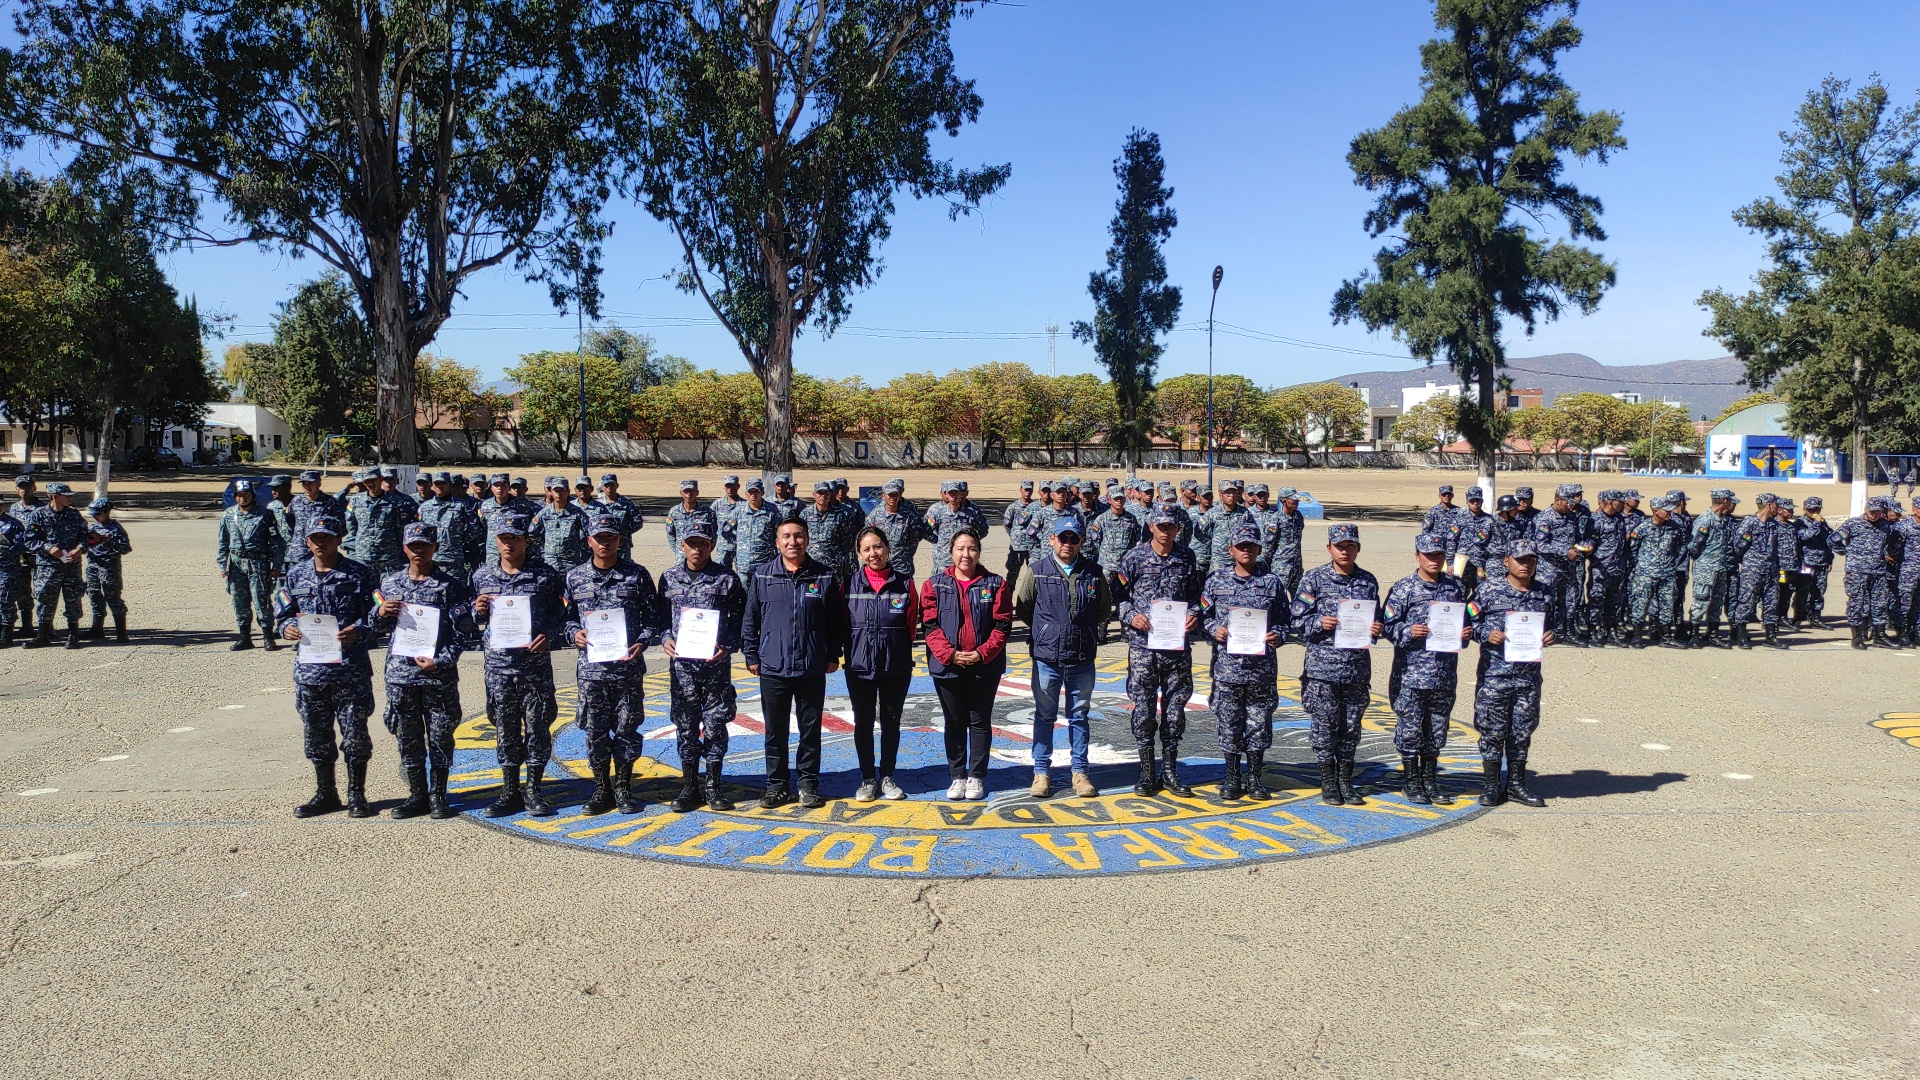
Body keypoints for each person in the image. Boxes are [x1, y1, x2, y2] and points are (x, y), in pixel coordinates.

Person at [273, 515, 380, 818]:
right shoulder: (295, 575)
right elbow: (283, 611)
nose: (321, 543)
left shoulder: (360, 574)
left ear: (338, 539)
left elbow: (378, 614)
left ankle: (357, 794)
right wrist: (288, 627)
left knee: (355, 735)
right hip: (311, 672)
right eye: (315, 538)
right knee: (317, 735)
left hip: (350, 670)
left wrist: (359, 630)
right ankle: (326, 793)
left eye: (327, 537)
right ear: (307, 541)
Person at [563, 513, 666, 814]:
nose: (605, 542)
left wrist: (643, 641)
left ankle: (623, 787)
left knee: (627, 729)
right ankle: (600, 789)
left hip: (627, 670)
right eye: (599, 537)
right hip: (592, 672)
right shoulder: (574, 577)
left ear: (620, 540)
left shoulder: (637, 575)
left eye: (611, 537)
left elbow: (655, 619)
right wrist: (574, 633)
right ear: (589, 541)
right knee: (595, 731)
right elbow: (565, 619)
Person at [373, 522, 477, 819]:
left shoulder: (450, 586)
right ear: (404, 548)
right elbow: (374, 626)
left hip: (436, 676)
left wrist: (441, 661)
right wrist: (379, 613)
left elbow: (464, 633)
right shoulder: (390, 583)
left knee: (441, 734)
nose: (419, 550)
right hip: (401, 674)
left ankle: (438, 795)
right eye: (413, 545)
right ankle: (416, 794)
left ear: (436, 548)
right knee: (407, 734)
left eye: (424, 545)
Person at [742, 516, 847, 809]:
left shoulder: (823, 576)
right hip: (773, 666)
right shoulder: (763, 576)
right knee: (775, 731)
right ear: (777, 542)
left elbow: (835, 621)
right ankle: (776, 785)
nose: (793, 542)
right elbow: (751, 620)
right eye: (786, 536)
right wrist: (751, 654)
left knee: (810, 731)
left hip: (811, 666)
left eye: (798, 536)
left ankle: (808, 784)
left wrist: (831, 654)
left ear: (807, 540)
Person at [470, 510, 568, 819]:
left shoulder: (546, 576)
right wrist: (477, 611)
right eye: (503, 539)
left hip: (533, 667)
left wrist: (548, 634)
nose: (509, 544)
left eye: (515, 538)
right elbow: (466, 621)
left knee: (538, 727)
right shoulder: (481, 577)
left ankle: (534, 790)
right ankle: (509, 790)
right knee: (505, 728)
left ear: (526, 540)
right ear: (496, 541)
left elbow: (562, 614)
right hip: (498, 667)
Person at [1013, 514, 1109, 799]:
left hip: (1081, 658)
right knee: (1044, 716)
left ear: (1081, 541)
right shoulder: (1038, 570)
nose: (1068, 543)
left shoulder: (1094, 572)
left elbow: (1103, 610)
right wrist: (1047, 631)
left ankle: (1080, 772)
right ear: (1052, 539)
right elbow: (1024, 607)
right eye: (1063, 538)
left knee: (1079, 716)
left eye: (1074, 539)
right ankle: (1041, 772)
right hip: (1047, 658)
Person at [658, 516, 748, 813]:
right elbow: (660, 619)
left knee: (715, 726)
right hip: (682, 669)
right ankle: (689, 786)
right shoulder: (669, 578)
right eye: (692, 543)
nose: (697, 549)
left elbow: (741, 621)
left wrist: (729, 645)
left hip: (715, 669)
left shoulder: (727, 579)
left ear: (712, 545)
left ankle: (713, 785)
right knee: (685, 727)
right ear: (682, 545)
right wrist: (664, 638)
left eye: (703, 543)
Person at [1290, 523, 1382, 806]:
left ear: (1358, 548)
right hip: (1323, 670)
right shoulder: (1314, 579)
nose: (1345, 551)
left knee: (1351, 728)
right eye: (1340, 546)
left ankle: (1346, 780)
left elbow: (1377, 618)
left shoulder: (1368, 582)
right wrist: (1319, 622)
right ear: (1329, 548)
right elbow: (1296, 621)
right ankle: (1328, 781)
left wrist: (1377, 628)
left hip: (1355, 668)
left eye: (1350, 546)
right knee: (1324, 726)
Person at [1116, 504, 1204, 796]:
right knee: (1143, 710)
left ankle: (1169, 771)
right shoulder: (1134, 557)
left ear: (1178, 528)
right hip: (1143, 648)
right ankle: (1146, 771)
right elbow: (1119, 597)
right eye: (1161, 526)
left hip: (1176, 649)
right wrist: (1131, 617)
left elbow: (1196, 596)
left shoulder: (1186, 557)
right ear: (1151, 526)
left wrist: (1194, 614)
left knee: (1175, 711)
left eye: (1171, 526)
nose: (1166, 531)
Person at [1381, 533, 1473, 806]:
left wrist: (1465, 633)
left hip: (1443, 673)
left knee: (1436, 730)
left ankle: (1430, 780)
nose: (1434, 560)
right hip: (1411, 674)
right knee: (1410, 731)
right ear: (1417, 556)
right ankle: (1411, 782)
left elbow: (1464, 624)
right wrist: (1409, 630)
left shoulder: (1455, 589)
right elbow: (1387, 625)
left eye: (1439, 555)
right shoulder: (1404, 588)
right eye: (1428, 555)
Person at [1201, 519, 1290, 800]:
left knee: (1259, 723)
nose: (1246, 551)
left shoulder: (1272, 582)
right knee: (1229, 722)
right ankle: (1231, 776)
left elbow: (1285, 621)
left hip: (1261, 670)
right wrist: (1215, 630)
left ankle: (1254, 776)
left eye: (1251, 546)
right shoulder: (1216, 580)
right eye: (1241, 546)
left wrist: (1278, 634)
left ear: (1259, 548)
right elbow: (1201, 615)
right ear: (1231, 549)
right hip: (1228, 668)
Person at [922, 529, 1012, 802]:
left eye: (972, 548)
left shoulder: (995, 584)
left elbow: (1003, 625)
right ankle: (957, 776)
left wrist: (981, 654)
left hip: (984, 666)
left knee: (980, 721)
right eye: (960, 548)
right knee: (954, 721)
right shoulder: (934, 585)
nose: (966, 554)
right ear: (951, 552)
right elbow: (929, 625)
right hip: (947, 666)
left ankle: (976, 776)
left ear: (979, 552)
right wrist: (950, 654)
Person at [1469, 539, 1556, 807]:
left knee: (1521, 731)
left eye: (1530, 560)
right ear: (1506, 560)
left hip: (1528, 677)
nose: (1525, 565)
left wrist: (1553, 635)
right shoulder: (1488, 590)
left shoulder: (1544, 593)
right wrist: (1486, 633)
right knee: (1492, 730)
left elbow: (1556, 623)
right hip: (1496, 674)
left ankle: (1517, 785)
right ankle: (1491, 785)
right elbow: (1468, 621)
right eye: (1520, 559)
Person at [843, 526, 918, 802]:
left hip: (895, 666)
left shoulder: (905, 584)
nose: (873, 553)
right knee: (863, 723)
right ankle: (867, 778)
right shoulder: (848, 585)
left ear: (887, 548)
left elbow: (910, 626)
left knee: (891, 723)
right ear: (859, 553)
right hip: (860, 667)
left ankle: (887, 776)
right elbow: (843, 623)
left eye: (878, 547)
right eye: (866, 549)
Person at [216, 480, 285, 651]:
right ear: (235, 497)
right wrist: (223, 564)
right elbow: (223, 541)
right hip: (236, 564)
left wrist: (276, 566)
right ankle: (245, 637)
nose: (243, 498)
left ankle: (268, 637)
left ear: (253, 495)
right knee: (239, 601)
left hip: (258, 563)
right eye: (239, 495)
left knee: (261, 600)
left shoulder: (264, 514)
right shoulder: (229, 515)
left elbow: (276, 542)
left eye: (246, 495)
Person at [1831, 497, 1898, 649]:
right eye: (1871, 511)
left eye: (1877, 512)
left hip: (1878, 571)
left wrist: (1887, 554)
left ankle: (1879, 636)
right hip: (1857, 572)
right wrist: (1848, 553)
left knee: (1879, 603)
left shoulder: (1885, 526)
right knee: (1857, 603)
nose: (1874, 515)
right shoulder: (1853, 524)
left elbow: (1891, 543)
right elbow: (1832, 540)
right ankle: (1857, 636)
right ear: (1866, 509)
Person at [1625, 496, 1689, 648]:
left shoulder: (1675, 527)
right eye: (1666, 510)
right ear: (1655, 511)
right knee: (1641, 604)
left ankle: (1666, 637)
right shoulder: (1642, 528)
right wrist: (1643, 565)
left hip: (1667, 573)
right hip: (1646, 573)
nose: (1670, 513)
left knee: (1667, 605)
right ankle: (1637, 636)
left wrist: (1671, 563)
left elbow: (1681, 546)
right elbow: (1632, 549)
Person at [1529, 484, 1589, 647]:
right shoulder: (1544, 518)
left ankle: (1568, 632)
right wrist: (1565, 551)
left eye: (1572, 503)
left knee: (1569, 601)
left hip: (1568, 568)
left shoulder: (1571, 517)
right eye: (1567, 502)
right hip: (1549, 570)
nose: (1570, 506)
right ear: (1557, 500)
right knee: (1546, 602)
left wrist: (1584, 546)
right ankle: (1542, 633)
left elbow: (1576, 538)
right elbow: (1540, 545)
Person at [1729, 493, 1786, 650]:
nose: (1778, 508)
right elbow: (1738, 547)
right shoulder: (1750, 523)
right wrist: (1750, 562)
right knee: (1746, 602)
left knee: (1771, 603)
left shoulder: (1774, 525)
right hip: (1752, 571)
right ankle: (1740, 635)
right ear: (1768, 505)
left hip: (1772, 571)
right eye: (1776, 504)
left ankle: (1770, 636)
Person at [1686, 489, 1738, 647]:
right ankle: (1694, 634)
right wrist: (1705, 561)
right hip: (1706, 568)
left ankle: (1712, 634)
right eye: (1730, 500)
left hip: (1720, 567)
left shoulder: (1722, 519)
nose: (1731, 503)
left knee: (1717, 602)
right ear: (1724, 501)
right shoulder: (1705, 520)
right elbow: (1693, 546)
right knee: (1700, 600)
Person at [1089, 484, 1141, 636]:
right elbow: (1095, 540)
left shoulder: (1131, 519)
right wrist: (1107, 555)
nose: (1119, 501)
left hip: (1124, 567)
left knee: (1125, 598)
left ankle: (1126, 631)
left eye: (1122, 498)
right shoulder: (1101, 519)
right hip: (1106, 565)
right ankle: (1101, 631)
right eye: (1116, 498)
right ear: (1110, 499)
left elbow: (1136, 540)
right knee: (1104, 599)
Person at [82, 498, 132, 642]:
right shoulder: (92, 528)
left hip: (109, 568)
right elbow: (85, 547)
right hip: (93, 567)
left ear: (106, 512)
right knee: (94, 596)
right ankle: (96, 629)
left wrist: (108, 540)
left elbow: (126, 549)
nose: (95, 517)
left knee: (112, 598)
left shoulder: (115, 528)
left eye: (98, 514)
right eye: (93, 514)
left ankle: (121, 633)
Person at [1586, 491, 1631, 647]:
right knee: (1597, 600)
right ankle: (1594, 631)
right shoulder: (1595, 520)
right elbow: (1589, 540)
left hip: (1618, 567)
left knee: (1615, 601)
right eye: (1620, 501)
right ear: (1610, 502)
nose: (1623, 504)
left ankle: (1610, 630)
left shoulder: (1619, 519)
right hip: (1601, 567)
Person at [865, 478, 935, 576]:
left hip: (903, 566)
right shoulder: (875, 515)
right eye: (890, 495)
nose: (893, 498)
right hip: (881, 564)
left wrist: (906, 554)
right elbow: (868, 537)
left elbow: (916, 538)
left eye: (895, 494)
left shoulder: (909, 515)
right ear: (883, 496)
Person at [925, 480, 988, 573]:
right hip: (944, 559)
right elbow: (925, 530)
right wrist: (938, 542)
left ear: (961, 494)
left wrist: (971, 541)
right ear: (946, 494)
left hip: (965, 558)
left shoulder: (971, 513)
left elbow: (983, 529)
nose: (953, 496)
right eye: (951, 493)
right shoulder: (937, 512)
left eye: (956, 493)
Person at [725, 477, 779, 582]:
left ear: (762, 492)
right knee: (744, 596)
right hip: (744, 564)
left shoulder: (772, 512)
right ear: (746, 494)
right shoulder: (739, 511)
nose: (753, 495)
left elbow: (780, 533)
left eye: (756, 492)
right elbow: (726, 529)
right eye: (750, 492)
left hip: (765, 564)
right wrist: (734, 544)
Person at [531, 475, 589, 572]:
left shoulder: (577, 513)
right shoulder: (544, 513)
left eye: (562, 490)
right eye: (555, 490)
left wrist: (581, 548)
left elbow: (590, 532)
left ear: (568, 492)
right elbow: (532, 532)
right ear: (552, 492)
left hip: (571, 562)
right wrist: (545, 546)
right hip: (551, 562)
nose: (558, 493)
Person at [801, 480, 858, 577]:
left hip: (834, 565)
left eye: (826, 493)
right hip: (811, 563)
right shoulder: (805, 514)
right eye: (819, 493)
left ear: (830, 495)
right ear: (813, 495)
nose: (822, 496)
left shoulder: (840, 515)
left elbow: (847, 542)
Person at [1793, 496, 1834, 629]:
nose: (1814, 511)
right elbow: (1804, 536)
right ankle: (1798, 616)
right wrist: (1816, 523)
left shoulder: (1823, 522)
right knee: (1803, 590)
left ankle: (1816, 616)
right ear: (1805, 509)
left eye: (1816, 509)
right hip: (1806, 563)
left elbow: (1828, 540)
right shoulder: (1799, 523)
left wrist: (1829, 559)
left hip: (1821, 563)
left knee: (1819, 591)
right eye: (1811, 509)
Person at [287, 470, 340, 572]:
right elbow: (289, 520)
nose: (307, 487)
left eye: (310, 483)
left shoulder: (330, 502)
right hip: (299, 550)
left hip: (321, 550)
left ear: (319, 483)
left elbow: (339, 526)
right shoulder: (296, 501)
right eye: (304, 484)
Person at [8, 475, 41, 639]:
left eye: (28, 486)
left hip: (39, 556)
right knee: (22, 591)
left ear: (34, 488)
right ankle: (27, 626)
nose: (24, 490)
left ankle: (45, 627)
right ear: (16, 490)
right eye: (21, 487)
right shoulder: (14, 509)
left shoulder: (42, 508)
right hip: (20, 556)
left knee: (42, 591)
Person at [1264, 487, 1307, 592]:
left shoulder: (1298, 516)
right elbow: (1268, 544)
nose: (1297, 501)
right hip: (1281, 566)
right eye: (1293, 499)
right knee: (1279, 595)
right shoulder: (1275, 519)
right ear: (1284, 501)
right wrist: (1267, 565)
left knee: (1299, 596)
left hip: (1296, 565)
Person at [597, 473, 645, 561]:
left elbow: (638, 521)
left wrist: (624, 534)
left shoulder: (626, 503)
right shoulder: (598, 504)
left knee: (624, 570)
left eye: (612, 485)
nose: (609, 488)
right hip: (603, 544)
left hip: (622, 545)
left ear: (617, 485)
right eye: (606, 485)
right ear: (602, 487)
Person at [1894, 498, 1920, 648]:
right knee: (1905, 602)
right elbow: (1891, 545)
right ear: (1915, 509)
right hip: (1908, 571)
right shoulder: (1903, 526)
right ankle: (1902, 632)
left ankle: (1916, 631)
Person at [1002, 478, 1038, 582]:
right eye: (1025, 489)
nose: (1027, 492)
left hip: (1031, 548)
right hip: (1016, 547)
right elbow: (1007, 524)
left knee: (1033, 576)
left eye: (1029, 490)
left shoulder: (1035, 507)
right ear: (1020, 489)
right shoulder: (1013, 507)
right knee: (1012, 577)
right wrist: (1014, 536)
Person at [665, 479, 707, 557]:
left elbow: (714, 534)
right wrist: (678, 550)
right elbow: (670, 533)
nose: (689, 494)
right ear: (681, 493)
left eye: (692, 491)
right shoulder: (674, 512)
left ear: (697, 492)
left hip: (701, 556)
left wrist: (706, 550)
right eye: (686, 491)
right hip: (681, 556)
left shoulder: (707, 512)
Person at [710, 475, 741, 569]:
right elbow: (710, 523)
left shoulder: (745, 505)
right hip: (723, 547)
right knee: (721, 576)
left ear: (738, 486)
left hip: (740, 547)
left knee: (742, 576)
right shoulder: (717, 504)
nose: (730, 489)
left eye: (732, 486)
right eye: (727, 486)